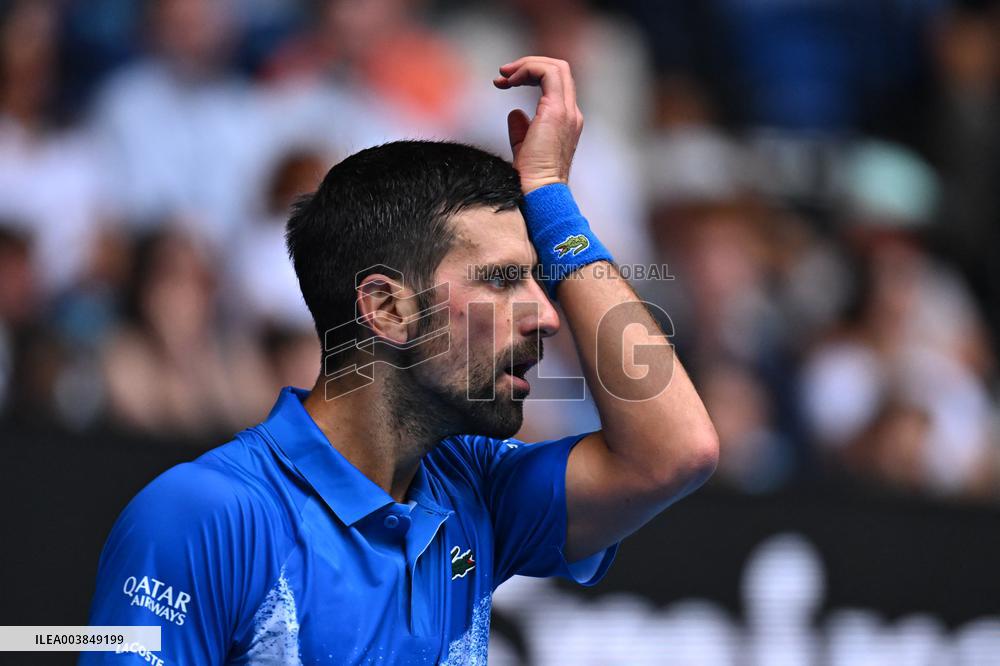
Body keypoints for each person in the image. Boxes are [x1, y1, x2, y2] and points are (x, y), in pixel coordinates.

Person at [81, 57, 718, 664]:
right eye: (500, 280)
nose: (548, 315)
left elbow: (674, 452)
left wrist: (554, 204)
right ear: (386, 308)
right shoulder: (205, 515)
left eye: (538, 278)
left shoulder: (474, 489)